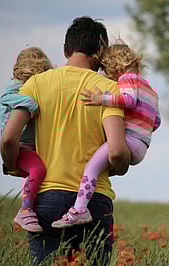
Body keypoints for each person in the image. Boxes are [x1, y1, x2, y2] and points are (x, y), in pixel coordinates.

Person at [0, 16, 130, 266]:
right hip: (94, 202)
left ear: (65, 49)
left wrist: (13, 165)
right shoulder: (108, 90)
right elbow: (116, 151)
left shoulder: (35, 84)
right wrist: (121, 167)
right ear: (100, 54)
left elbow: (8, 138)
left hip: (46, 197)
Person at [52, 42, 161, 228]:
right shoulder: (151, 90)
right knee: (101, 166)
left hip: (129, 140)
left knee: (91, 168)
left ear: (114, 65)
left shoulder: (127, 78)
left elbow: (128, 100)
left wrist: (101, 99)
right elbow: (156, 122)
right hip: (142, 145)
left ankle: (79, 209)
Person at [0, 47, 52, 232]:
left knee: (36, 171)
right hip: (20, 146)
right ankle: (25, 209)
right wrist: (33, 105)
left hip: (30, 146)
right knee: (37, 168)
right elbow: (9, 99)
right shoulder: (15, 91)